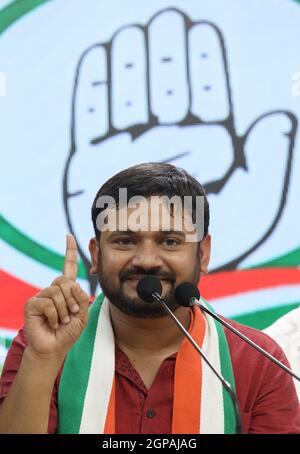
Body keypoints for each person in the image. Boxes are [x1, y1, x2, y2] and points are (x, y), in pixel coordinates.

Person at [0, 163, 299, 434]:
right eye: (125, 241)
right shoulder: (44, 345)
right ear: (95, 255)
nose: (146, 260)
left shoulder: (257, 360)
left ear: (203, 254)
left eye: (169, 242)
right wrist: (43, 360)